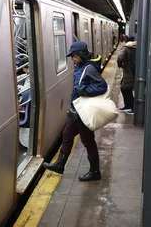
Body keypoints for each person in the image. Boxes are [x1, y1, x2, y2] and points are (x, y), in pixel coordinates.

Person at [43, 41, 108, 181]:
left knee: (88, 141)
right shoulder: (81, 66)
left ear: (80, 55)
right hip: (77, 110)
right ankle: (60, 165)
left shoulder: (88, 68)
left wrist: (83, 90)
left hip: (82, 112)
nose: (72, 59)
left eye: (73, 56)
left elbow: (102, 86)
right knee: (67, 135)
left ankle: (95, 171)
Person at [117, 36, 136, 114]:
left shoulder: (125, 48)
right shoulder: (134, 47)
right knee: (126, 89)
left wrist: (120, 65)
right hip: (133, 71)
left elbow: (120, 57)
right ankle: (128, 106)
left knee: (125, 89)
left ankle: (131, 108)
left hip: (128, 72)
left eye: (121, 43)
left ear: (124, 42)